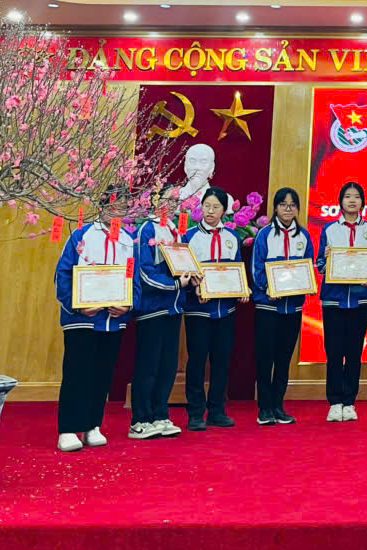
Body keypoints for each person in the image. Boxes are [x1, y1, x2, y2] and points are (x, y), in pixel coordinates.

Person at [53, 185, 134, 452]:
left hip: (113, 321)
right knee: (77, 373)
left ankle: (92, 425)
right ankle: (68, 429)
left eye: (122, 206)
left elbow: (131, 278)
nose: (117, 211)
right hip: (82, 319)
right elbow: (63, 274)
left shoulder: (128, 241)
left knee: (102, 374)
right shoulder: (81, 235)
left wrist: (128, 305)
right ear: (101, 206)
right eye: (112, 205)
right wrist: (78, 307)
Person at [128, 185, 195, 440]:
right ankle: (140, 420)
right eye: (169, 199)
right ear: (156, 201)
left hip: (174, 308)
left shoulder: (177, 231)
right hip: (152, 310)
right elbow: (143, 273)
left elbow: (187, 266)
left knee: (168, 366)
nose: (174, 205)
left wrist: (194, 279)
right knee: (148, 366)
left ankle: (160, 414)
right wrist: (176, 285)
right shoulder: (147, 229)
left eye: (177, 200)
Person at [315, 180, 367, 422]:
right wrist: (326, 260)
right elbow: (320, 265)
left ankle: (349, 401)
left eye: (356, 196)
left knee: (354, 351)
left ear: (362, 202)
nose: (352, 200)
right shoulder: (330, 230)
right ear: (340, 202)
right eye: (347, 196)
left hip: (360, 299)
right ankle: (335, 402)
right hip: (333, 300)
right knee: (334, 351)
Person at [251, 186, 313, 426]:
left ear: (298, 209)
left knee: (284, 358)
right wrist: (269, 288)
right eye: (283, 204)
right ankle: (264, 408)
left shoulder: (304, 236)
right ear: (275, 208)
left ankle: (278, 405)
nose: (288, 209)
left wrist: (307, 284)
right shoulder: (265, 234)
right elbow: (256, 268)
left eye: (292, 205)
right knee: (265, 357)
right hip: (268, 306)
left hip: (292, 308)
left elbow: (308, 266)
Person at [184, 186, 241, 431]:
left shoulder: (233, 238)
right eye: (206, 206)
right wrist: (193, 286)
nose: (210, 211)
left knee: (222, 361)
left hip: (225, 310)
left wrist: (241, 290)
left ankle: (217, 410)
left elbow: (237, 270)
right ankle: (196, 413)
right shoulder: (189, 237)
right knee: (197, 360)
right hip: (198, 309)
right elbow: (182, 271)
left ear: (224, 211)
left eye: (216, 207)